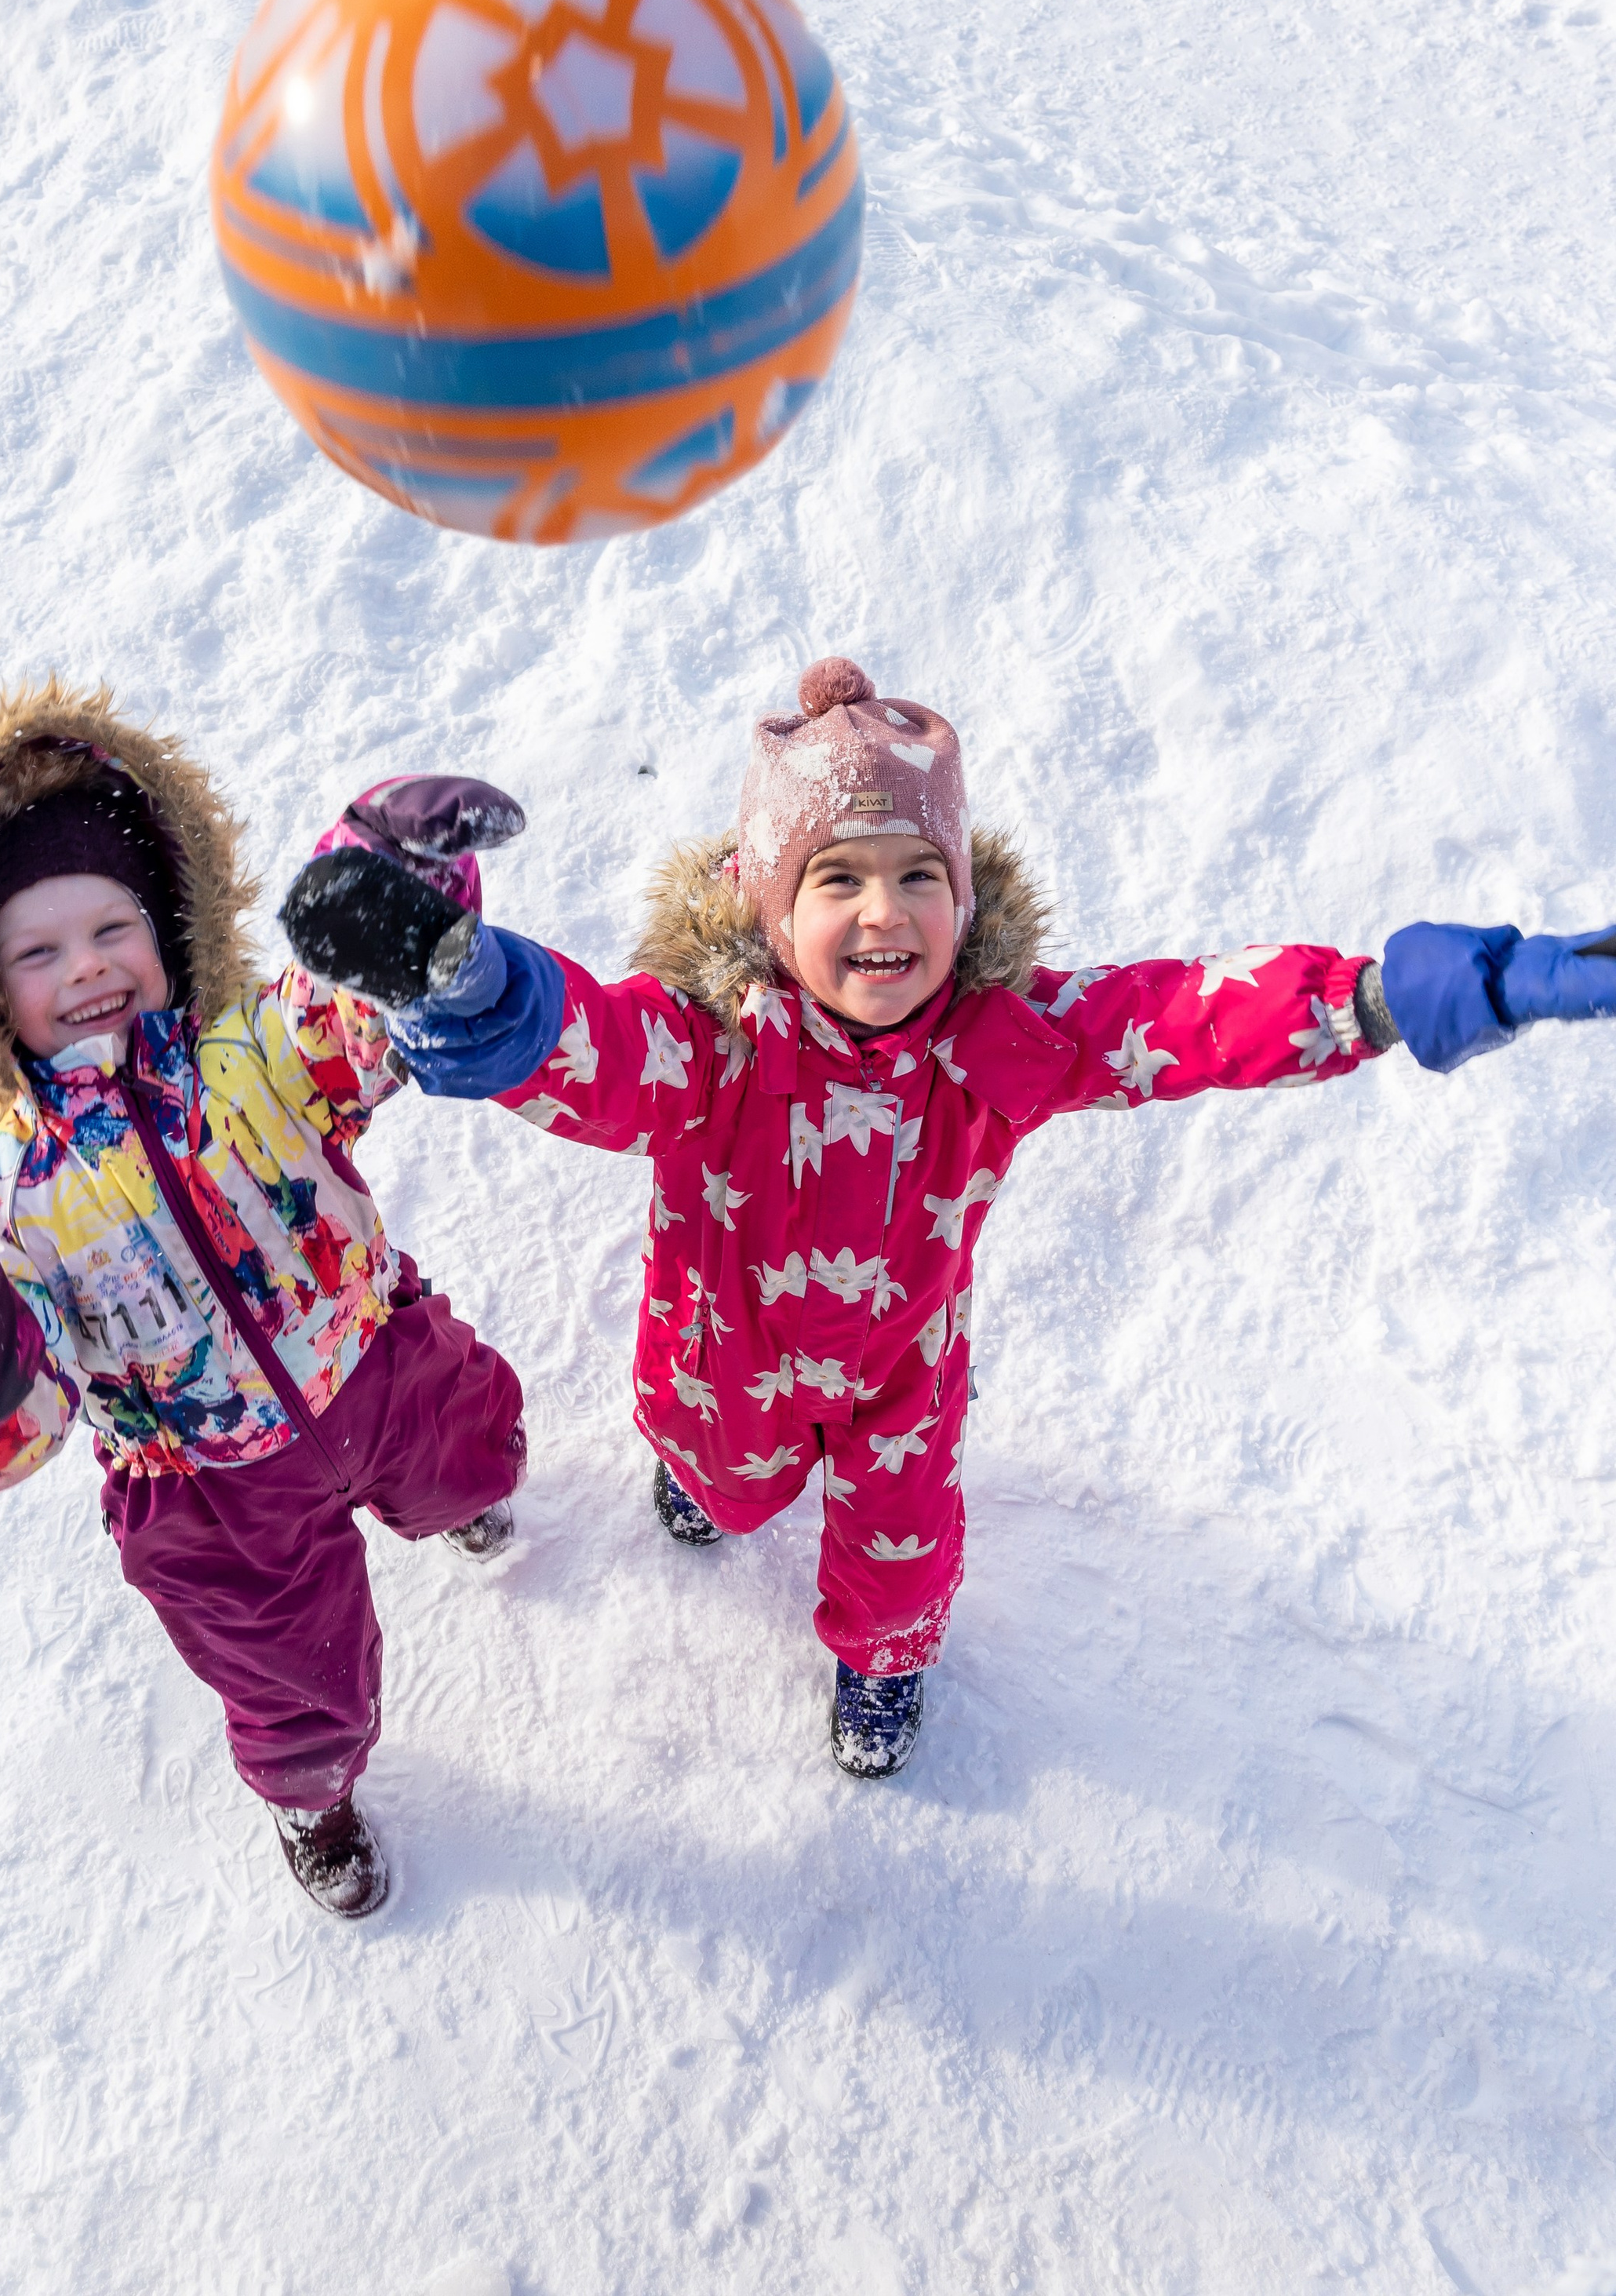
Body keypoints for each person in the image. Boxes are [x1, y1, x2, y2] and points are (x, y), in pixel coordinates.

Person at [282, 654, 1616, 1783]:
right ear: (769, 904)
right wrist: (463, 985)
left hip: (898, 1374)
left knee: (906, 1552)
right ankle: (697, 1489)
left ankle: (882, 1667)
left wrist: (1400, 993)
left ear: (963, 898)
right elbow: (588, 1048)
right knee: (725, 1483)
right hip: (721, 1353)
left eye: (919, 875)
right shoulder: (718, 1046)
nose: (884, 914)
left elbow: (1185, 1018)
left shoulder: (1003, 1041)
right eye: (837, 880)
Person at [0, 678, 529, 1919]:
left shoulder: (251, 1048)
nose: (85, 968)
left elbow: (362, 1013)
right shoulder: (8, 1186)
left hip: (374, 1356)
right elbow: (11, 1418)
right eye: (37, 950)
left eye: (111, 928)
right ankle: (315, 1797)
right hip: (209, 1491)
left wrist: (390, 892)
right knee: (292, 1677)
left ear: (168, 926)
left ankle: (462, 1506)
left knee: (473, 1448)